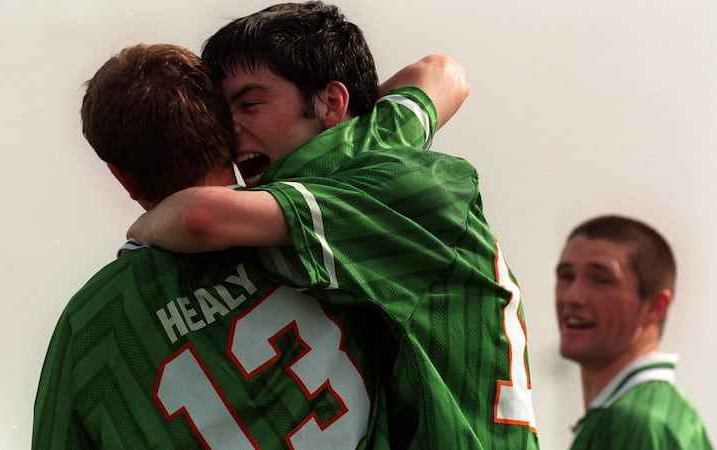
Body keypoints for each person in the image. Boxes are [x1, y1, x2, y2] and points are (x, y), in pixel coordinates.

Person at [127, 2, 539, 449]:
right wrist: (361, 126)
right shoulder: (381, 146)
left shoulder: (356, 192)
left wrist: (143, 227)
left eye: (250, 104)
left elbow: (199, 217)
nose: (230, 133)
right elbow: (442, 72)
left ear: (331, 100)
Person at [33, 42, 469, 447]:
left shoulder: (90, 322)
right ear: (229, 132)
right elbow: (437, 74)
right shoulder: (320, 207)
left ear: (120, 176)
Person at [555, 215, 712, 449]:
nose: (572, 297)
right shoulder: (649, 410)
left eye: (600, 280)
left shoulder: (637, 421)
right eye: (566, 276)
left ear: (655, 306)